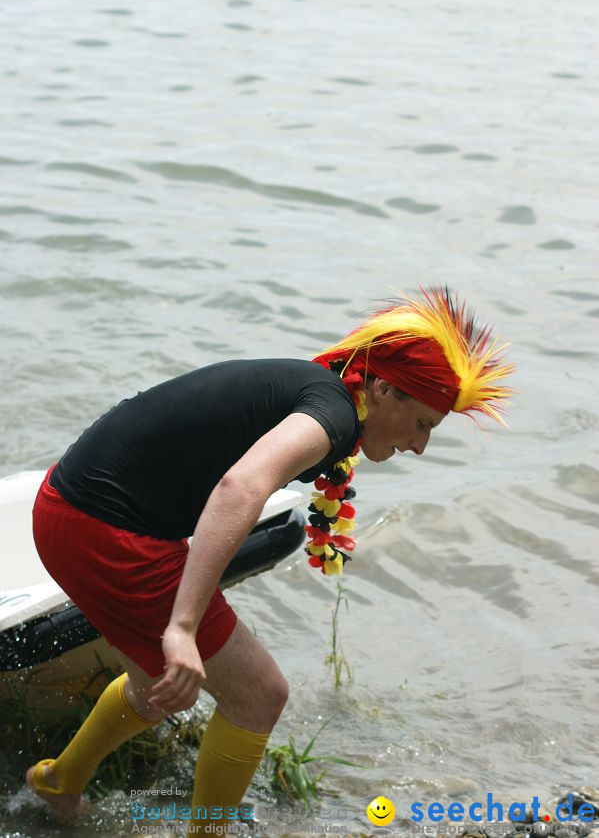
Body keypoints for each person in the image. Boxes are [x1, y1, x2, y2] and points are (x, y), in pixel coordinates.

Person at [26, 286, 512, 832]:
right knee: (259, 695)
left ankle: (56, 784)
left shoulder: (322, 393)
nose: (421, 445)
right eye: (423, 423)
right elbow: (241, 487)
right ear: (382, 389)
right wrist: (183, 626)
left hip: (66, 506)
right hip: (105, 529)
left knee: (156, 688)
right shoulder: (331, 415)